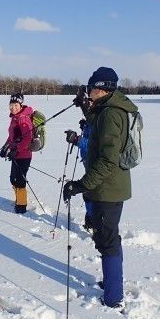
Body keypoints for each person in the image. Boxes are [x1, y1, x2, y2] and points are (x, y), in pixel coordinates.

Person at [62, 67, 138, 309]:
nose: (88, 90)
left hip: (108, 188)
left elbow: (108, 160)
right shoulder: (106, 109)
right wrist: (84, 106)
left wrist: (81, 185)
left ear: (102, 88)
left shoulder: (111, 114)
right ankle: (111, 281)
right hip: (106, 186)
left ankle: (114, 296)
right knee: (106, 236)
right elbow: (95, 124)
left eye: (90, 87)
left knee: (108, 239)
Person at [64, 87, 95, 232]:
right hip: (87, 159)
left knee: (92, 192)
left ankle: (95, 224)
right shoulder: (93, 114)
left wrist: (77, 140)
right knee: (88, 192)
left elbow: (98, 144)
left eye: (88, 101)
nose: (87, 105)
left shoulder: (101, 114)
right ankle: (90, 221)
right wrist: (85, 127)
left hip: (96, 161)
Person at [0, 92, 34, 214]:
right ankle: (19, 199)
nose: (13, 107)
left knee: (19, 180)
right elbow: (11, 137)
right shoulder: (15, 118)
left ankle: (21, 206)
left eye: (16, 105)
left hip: (24, 155)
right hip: (15, 154)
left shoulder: (23, 118)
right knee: (13, 179)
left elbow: (27, 138)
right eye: (11, 104)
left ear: (21, 104)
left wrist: (16, 150)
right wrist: (5, 148)